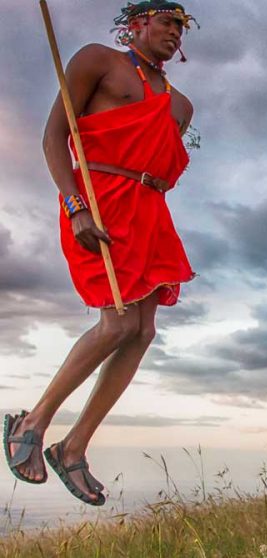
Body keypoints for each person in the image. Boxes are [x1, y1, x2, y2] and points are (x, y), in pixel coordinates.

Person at [4, 1, 197, 506]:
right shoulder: (97, 61)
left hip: (150, 213)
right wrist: (75, 206)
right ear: (138, 24)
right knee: (116, 323)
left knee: (142, 330)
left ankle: (74, 446)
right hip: (99, 201)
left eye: (182, 26)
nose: (176, 33)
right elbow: (53, 137)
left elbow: (158, 160)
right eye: (167, 22)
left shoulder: (181, 107)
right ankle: (33, 421)